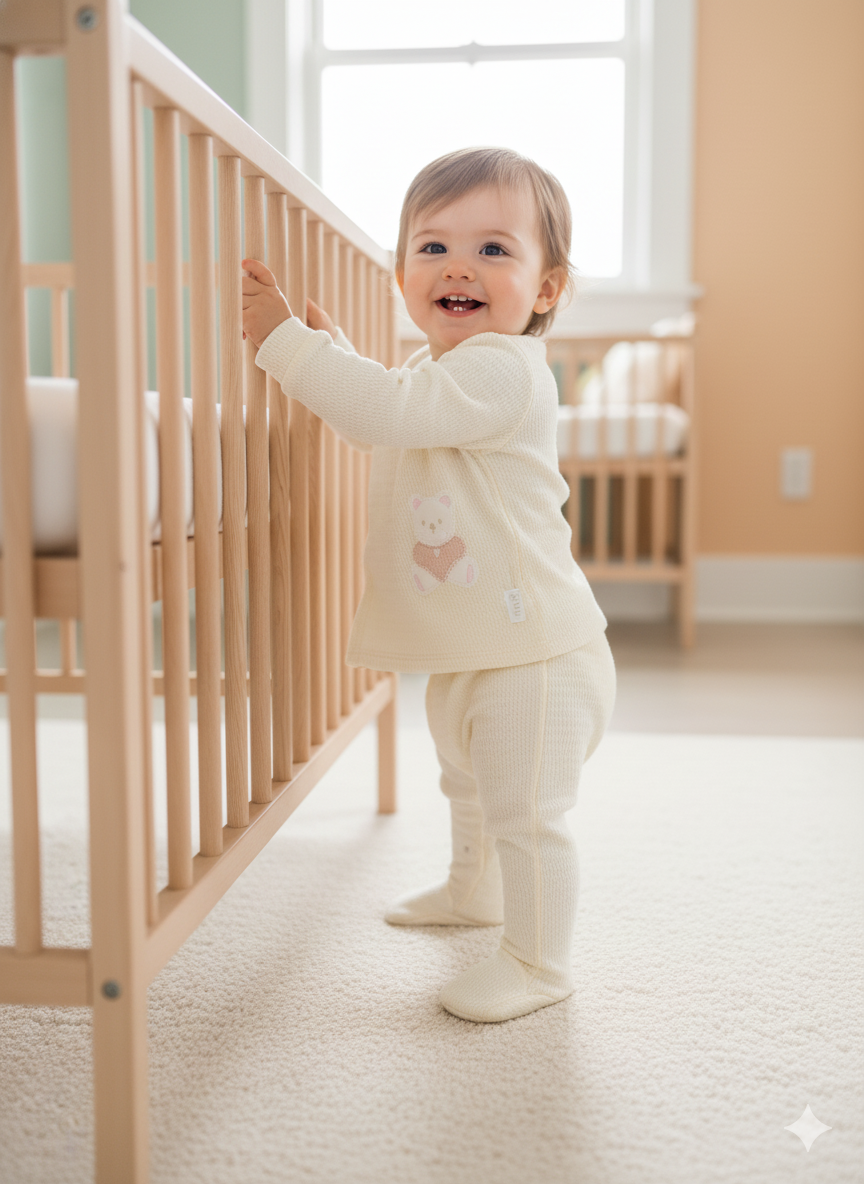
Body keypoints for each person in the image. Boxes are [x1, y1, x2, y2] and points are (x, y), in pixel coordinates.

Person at [241, 147, 616, 1023]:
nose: (458, 267)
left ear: (547, 289)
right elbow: (390, 411)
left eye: (493, 250)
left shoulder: (503, 367)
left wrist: (288, 346)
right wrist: (335, 354)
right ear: (402, 271)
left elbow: (384, 411)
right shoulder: (441, 373)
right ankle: (473, 892)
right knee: (468, 781)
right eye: (433, 247)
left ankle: (538, 963)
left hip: (537, 655)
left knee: (525, 813)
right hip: (485, 643)